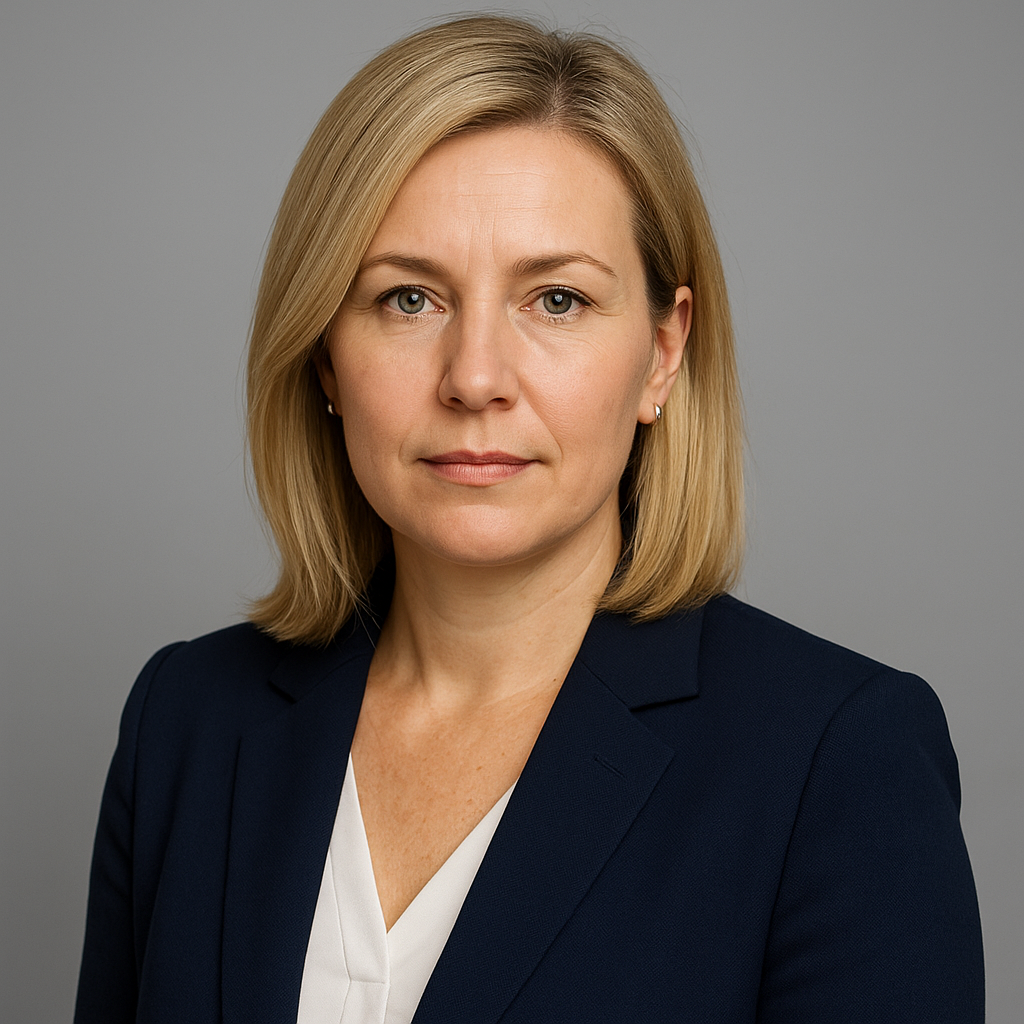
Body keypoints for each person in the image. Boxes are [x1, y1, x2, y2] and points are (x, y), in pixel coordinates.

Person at [74, 15, 984, 1024]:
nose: (474, 379)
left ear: (663, 353)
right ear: (325, 356)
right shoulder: (187, 722)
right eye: (408, 299)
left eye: (555, 300)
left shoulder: (836, 760)